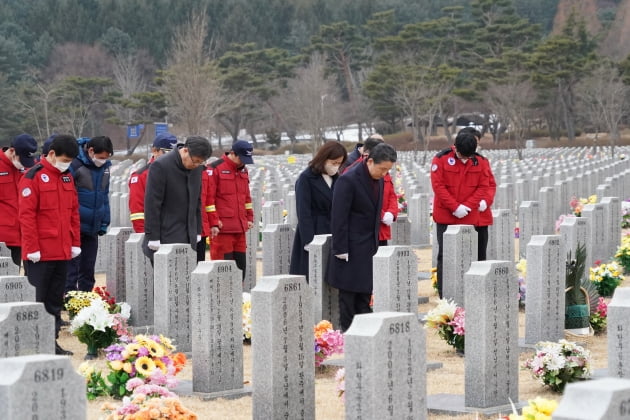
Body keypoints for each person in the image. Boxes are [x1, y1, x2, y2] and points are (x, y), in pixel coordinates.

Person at [18, 134, 80, 355]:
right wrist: (31, 247)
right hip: (40, 254)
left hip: (62, 251)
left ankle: (50, 343)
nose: (67, 164)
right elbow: (26, 216)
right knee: (38, 300)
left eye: (70, 161)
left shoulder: (67, 177)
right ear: (51, 154)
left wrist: (75, 242)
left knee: (54, 301)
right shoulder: (32, 177)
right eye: (64, 160)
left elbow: (73, 212)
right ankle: (33, 343)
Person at [327, 143, 398, 332]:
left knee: (365, 296)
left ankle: (366, 337)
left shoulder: (380, 180)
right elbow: (338, 217)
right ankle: (350, 337)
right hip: (349, 248)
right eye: (382, 169)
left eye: (388, 170)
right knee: (349, 297)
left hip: (369, 247)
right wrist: (340, 249)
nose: (384, 174)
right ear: (370, 160)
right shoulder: (348, 180)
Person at [430, 129, 491, 298]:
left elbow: (483, 187)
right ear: (455, 148)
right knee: (446, 255)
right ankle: (445, 294)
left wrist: (468, 206)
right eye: (462, 156)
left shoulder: (480, 161)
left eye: (468, 157)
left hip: (469, 215)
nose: (465, 160)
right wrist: (454, 207)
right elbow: (438, 186)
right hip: (446, 215)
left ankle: (475, 293)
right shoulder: (441, 159)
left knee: (471, 254)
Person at [142, 136, 212, 262]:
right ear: (185, 151)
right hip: (166, 235)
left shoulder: (196, 168)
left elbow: (197, 201)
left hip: (189, 235)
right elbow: (152, 203)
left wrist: (197, 230)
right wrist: (153, 237)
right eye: (195, 161)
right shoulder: (161, 166)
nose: (196, 165)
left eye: (200, 163)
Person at [289, 141, 347, 279]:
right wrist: (309, 241)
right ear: (324, 158)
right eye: (334, 162)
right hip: (314, 229)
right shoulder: (306, 178)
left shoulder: (337, 178)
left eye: (339, 163)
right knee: (313, 273)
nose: (336, 167)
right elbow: (304, 212)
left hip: (332, 228)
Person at [65, 136, 113, 293]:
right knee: (72, 267)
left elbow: (104, 196)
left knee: (88, 266)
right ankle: (69, 297)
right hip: (75, 226)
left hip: (93, 226)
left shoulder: (105, 168)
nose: (103, 160)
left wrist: (105, 221)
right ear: (91, 151)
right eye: (101, 157)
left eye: (106, 158)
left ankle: (85, 298)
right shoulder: (75, 165)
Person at [206, 140, 254, 280]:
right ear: (232, 153)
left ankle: (239, 300)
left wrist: (249, 218)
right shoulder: (215, 168)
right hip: (223, 230)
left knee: (240, 269)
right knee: (223, 271)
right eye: (241, 158)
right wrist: (214, 222)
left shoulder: (244, 170)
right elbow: (209, 199)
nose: (243, 163)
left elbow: (247, 197)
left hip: (240, 228)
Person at [342, 135, 398, 246]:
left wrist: (392, 213)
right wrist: (381, 215)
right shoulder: (354, 171)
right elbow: (362, 200)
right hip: (365, 229)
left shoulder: (382, 168)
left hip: (382, 229)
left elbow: (391, 193)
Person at [459, 127, 496, 260]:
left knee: (481, 255)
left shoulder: (482, 161)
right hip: (462, 214)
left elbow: (490, 184)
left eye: (477, 142)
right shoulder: (453, 160)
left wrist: (486, 201)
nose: (475, 146)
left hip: (481, 216)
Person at [0, 134, 38, 267]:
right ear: (11, 151)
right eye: (20, 159)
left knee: (15, 282)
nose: (22, 164)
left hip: (22, 237)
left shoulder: (30, 168)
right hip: (2, 238)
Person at [128, 133, 178, 233]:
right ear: (155, 151)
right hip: (154, 233)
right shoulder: (141, 176)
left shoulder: (180, 173)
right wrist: (144, 234)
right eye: (167, 152)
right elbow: (137, 209)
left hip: (177, 232)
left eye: (175, 153)